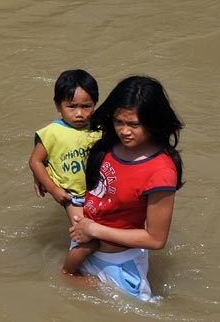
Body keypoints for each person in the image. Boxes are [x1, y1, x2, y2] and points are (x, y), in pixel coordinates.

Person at [68, 75, 184, 301]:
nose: (124, 131)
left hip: (118, 266)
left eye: (134, 125)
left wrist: (93, 230)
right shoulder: (109, 143)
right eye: (119, 122)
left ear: (154, 122)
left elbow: (156, 239)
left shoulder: (161, 171)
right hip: (84, 242)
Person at [28, 69, 102, 275]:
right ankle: (69, 271)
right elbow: (35, 161)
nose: (79, 114)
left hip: (98, 194)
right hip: (72, 196)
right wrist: (53, 189)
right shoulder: (52, 132)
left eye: (86, 106)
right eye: (71, 107)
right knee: (88, 239)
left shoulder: (99, 129)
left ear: (95, 104)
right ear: (58, 106)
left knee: (103, 234)